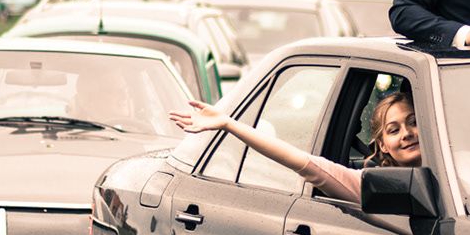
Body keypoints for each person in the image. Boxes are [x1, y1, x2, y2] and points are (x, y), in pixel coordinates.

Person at [169, 91, 419, 201]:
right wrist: (229, 124)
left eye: (414, 123)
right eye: (393, 130)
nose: (407, 134)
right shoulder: (376, 184)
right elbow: (301, 161)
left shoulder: (448, 168)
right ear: (382, 145)